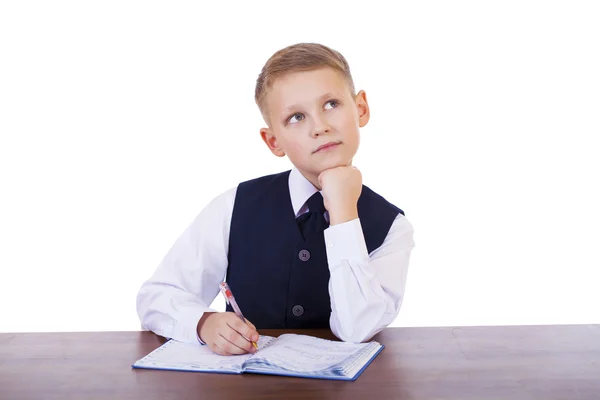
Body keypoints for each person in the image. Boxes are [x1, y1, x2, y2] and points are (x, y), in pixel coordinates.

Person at [136, 42, 415, 356]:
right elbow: (156, 296)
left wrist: (343, 210)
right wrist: (203, 323)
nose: (320, 127)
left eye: (331, 104)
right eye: (296, 117)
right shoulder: (233, 207)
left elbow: (357, 329)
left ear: (361, 108)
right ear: (273, 141)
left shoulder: (393, 228)